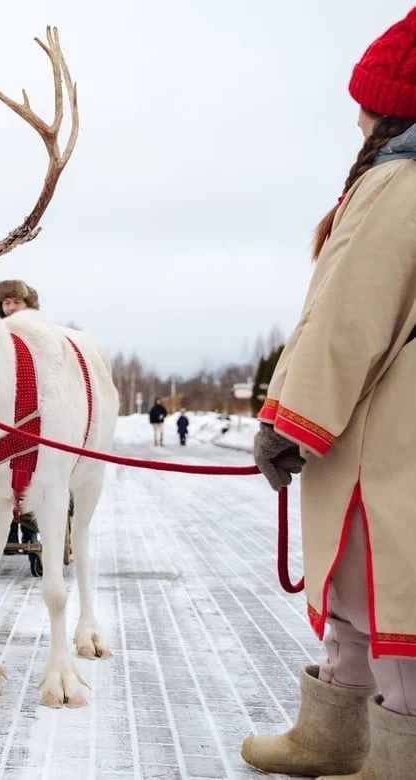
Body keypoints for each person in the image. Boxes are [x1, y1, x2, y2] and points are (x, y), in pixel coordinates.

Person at [242, 10, 416, 777]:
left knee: (390, 594)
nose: (357, 118)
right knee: (360, 586)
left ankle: (398, 756)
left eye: (368, 103)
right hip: (386, 427)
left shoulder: (397, 183)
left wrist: (292, 421)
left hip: (386, 434)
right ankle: (335, 735)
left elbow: (348, 315)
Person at [0, 279, 41, 553]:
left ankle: (30, 530)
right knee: (4, 474)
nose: (11, 308)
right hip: (3, 411)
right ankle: (8, 528)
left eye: (16, 302)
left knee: (30, 472)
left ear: (27, 304)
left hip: (33, 408)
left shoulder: (39, 332)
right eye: (7, 302)